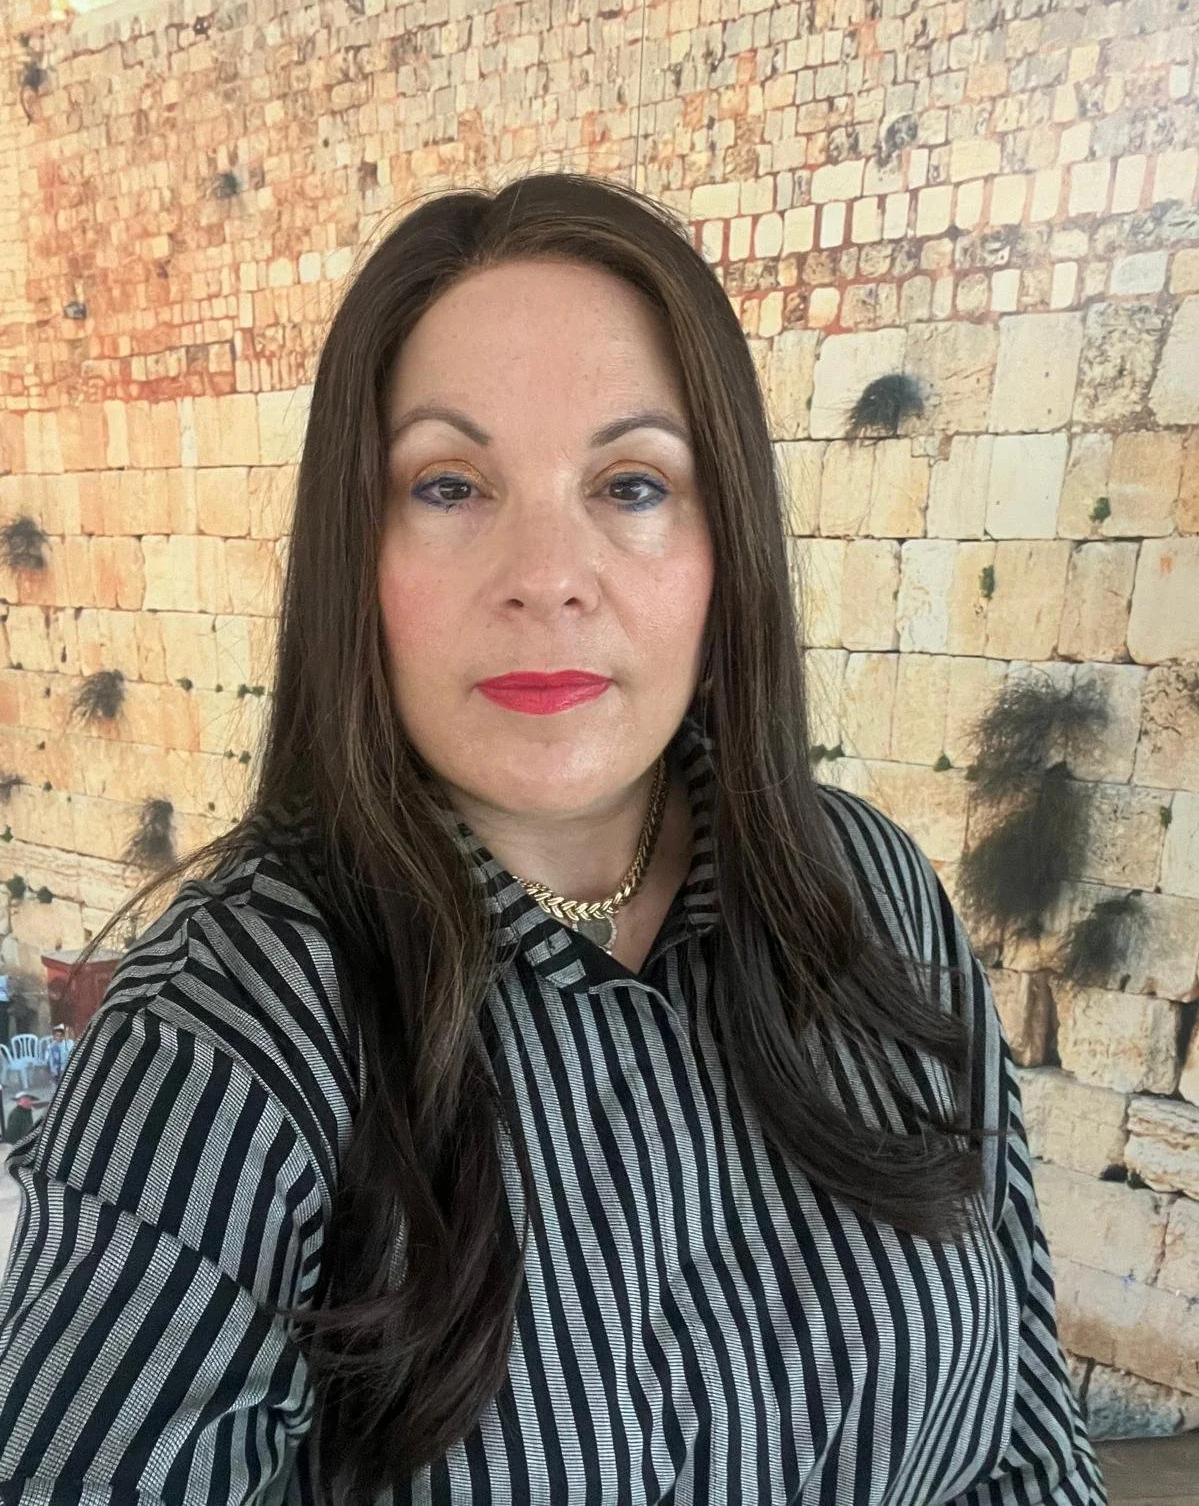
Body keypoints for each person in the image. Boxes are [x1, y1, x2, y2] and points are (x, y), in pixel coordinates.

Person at [0, 173, 1107, 1505]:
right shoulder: (227, 1043)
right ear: (362, 555)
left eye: (632, 482)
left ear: (725, 544)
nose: (546, 571)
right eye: (453, 484)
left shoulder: (868, 899)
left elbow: (1025, 1442)